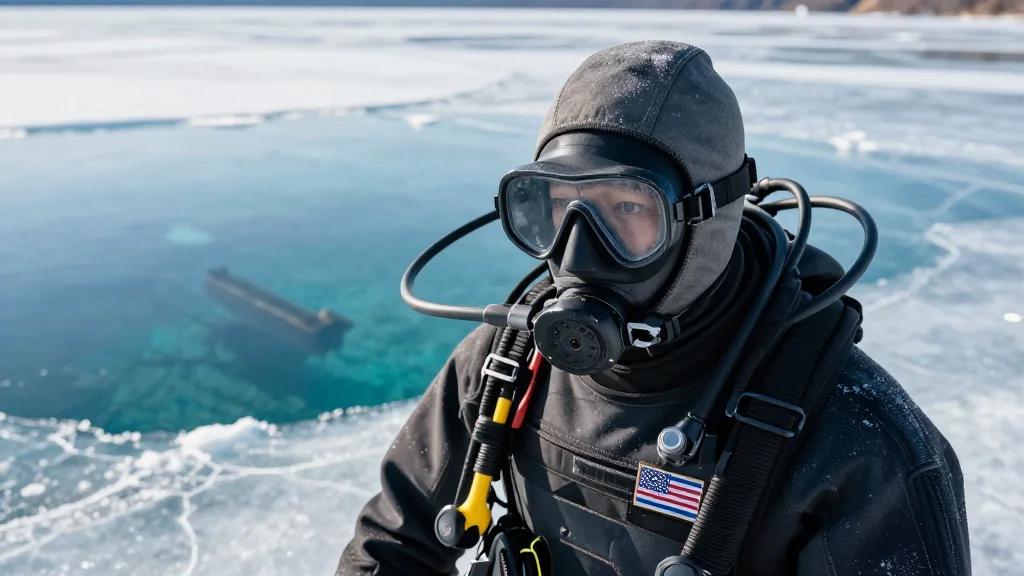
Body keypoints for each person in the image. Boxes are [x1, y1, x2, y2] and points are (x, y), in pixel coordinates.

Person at [337, 41, 970, 576]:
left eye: (628, 209)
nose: (578, 252)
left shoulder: (858, 445)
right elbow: (389, 546)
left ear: (704, 221)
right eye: (560, 206)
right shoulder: (507, 361)